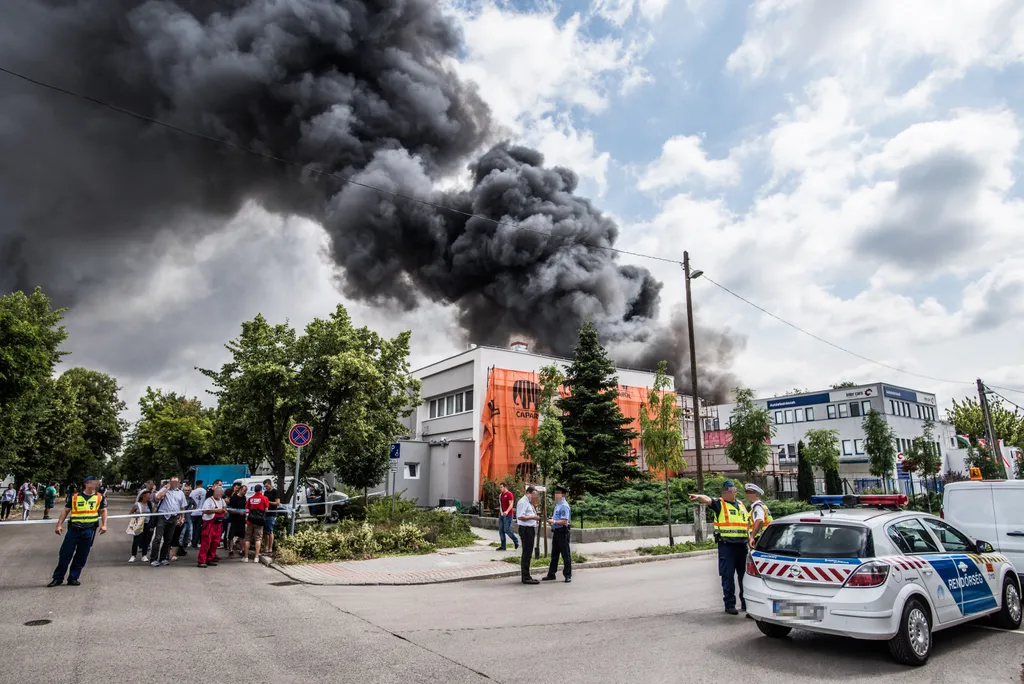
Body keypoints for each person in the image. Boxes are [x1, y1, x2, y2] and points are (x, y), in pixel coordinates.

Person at [690, 481, 749, 615]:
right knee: (727, 576)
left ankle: (746, 603)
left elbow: (747, 522)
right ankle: (729, 604)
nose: (735, 492)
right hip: (727, 546)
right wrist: (699, 497)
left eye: (734, 490)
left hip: (742, 546)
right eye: (732, 490)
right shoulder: (720, 504)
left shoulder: (741, 504)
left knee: (744, 577)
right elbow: (708, 500)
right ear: (726, 492)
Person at [48, 476, 107, 587]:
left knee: (82, 555)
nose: (96, 485)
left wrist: (104, 525)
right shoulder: (75, 497)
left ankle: (73, 577)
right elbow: (66, 511)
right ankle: (58, 578)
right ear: (86, 484)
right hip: (74, 529)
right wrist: (59, 525)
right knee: (65, 554)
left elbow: (103, 511)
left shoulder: (100, 497)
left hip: (89, 530)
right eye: (93, 483)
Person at [150, 477, 187, 567]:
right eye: (172, 481)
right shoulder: (164, 490)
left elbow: (182, 507)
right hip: (162, 517)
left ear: (179, 483)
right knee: (158, 538)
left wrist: (182, 517)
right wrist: (166, 489)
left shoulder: (180, 493)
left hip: (173, 517)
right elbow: (157, 498)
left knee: (168, 539)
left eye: (176, 482)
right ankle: (153, 559)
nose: (174, 483)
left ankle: (163, 558)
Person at [543, 486, 572, 583]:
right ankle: (551, 574)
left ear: (562, 495)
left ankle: (568, 575)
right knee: (554, 554)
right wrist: (552, 521)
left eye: (557, 493)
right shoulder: (558, 505)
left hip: (563, 532)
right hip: (556, 532)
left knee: (565, 554)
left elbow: (564, 521)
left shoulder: (564, 505)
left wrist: (554, 521)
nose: (555, 495)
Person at [515, 486, 541, 585]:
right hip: (526, 530)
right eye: (534, 495)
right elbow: (520, 517)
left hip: (529, 529)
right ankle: (525, 577)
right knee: (527, 552)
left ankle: (527, 575)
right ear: (529, 493)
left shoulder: (528, 502)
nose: (535, 497)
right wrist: (533, 517)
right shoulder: (523, 502)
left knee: (528, 552)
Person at [198, 485, 227, 568]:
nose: (218, 494)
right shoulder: (209, 501)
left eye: (220, 493)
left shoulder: (222, 501)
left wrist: (224, 511)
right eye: (217, 493)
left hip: (218, 525)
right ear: (214, 492)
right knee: (206, 543)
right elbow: (205, 510)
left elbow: (225, 509)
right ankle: (202, 560)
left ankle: (210, 559)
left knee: (215, 543)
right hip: (209, 525)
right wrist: (216, 510)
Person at [242, 484, 269, 562]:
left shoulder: (250, 499)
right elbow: (266, 509)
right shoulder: (264, 498)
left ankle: (246, 557)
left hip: (250, 521)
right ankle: (256, 557)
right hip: (259, 521)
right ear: (261, 490)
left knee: (247, 538)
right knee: (258, 539)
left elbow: (246, 509)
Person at [129, 490, 154, 563]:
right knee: (136, 540)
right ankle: (133, 555)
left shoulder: (150, 505)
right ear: (143, 496)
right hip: (139, 524)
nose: (148, 498)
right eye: (147, 496)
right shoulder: (137, 504)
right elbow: (131, 512)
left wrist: (151, 524)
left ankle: (144, 555)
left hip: (147, 524)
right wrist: (135, 517)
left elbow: (152, 514)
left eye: (149, 496)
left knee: (146, 540)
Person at [745, 483, 772, 548]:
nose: (748, 495)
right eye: (747, 493)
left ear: (757, 495)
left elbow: (759, 520)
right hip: (765, 538)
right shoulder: (761, 506)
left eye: (751, 493)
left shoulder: (757, 507)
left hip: (760, 538)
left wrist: (752, 537)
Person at [175, 482, 195, 559]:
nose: (187, 492)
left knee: (189, 535)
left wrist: (191, 511)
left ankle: (183, 546)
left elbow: (195, 505)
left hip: (188, 518)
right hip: (182, 519)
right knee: (181, 535)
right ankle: (179, 548)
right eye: (186, 490)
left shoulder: (191, 499)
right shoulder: (181, 498)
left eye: (188, 490)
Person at [496, 482, 519, 551]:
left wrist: (507, 511)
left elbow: (511, 505)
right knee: (501, 531)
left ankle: (515, 540)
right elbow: (501, 505)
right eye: (500, 487)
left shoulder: (509, 494)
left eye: (501, 487)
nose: (500, 489)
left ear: (505, 487)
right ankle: (503, 546)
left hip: (508, 515)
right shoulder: (501, 495)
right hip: (501, 515)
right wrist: (501, 512)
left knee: (506, 530)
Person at [227, 483, 247, 557]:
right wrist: (238, 512)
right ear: (241, 490)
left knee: (242, 536)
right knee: (231, 536)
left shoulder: (244, 498)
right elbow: (230, 510)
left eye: (246, 491)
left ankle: (242, 550)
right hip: (233, 520)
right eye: (244, 491)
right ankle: (230, 550)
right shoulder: (234, 498)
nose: (245, 492)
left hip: (241, 520)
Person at [262, 479, 280, 556]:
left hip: (272, 512)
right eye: (265, 486)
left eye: (266, 486)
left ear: (270, 484)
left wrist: (268, 502)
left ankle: (270, 547)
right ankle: (266, 546)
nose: (266, 488)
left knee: (270, 530)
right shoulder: (265, 492)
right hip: (265, 513)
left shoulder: (275, 492)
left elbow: (277, 503)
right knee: (265, 531)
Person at [189, 480, 206, 549]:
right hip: (201, 512)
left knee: (193, 528)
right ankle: (196, 542)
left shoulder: (193, 492)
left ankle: (193, 541)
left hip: (193, 512)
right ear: (201, 484)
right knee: (199, 528)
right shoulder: (204, 491)